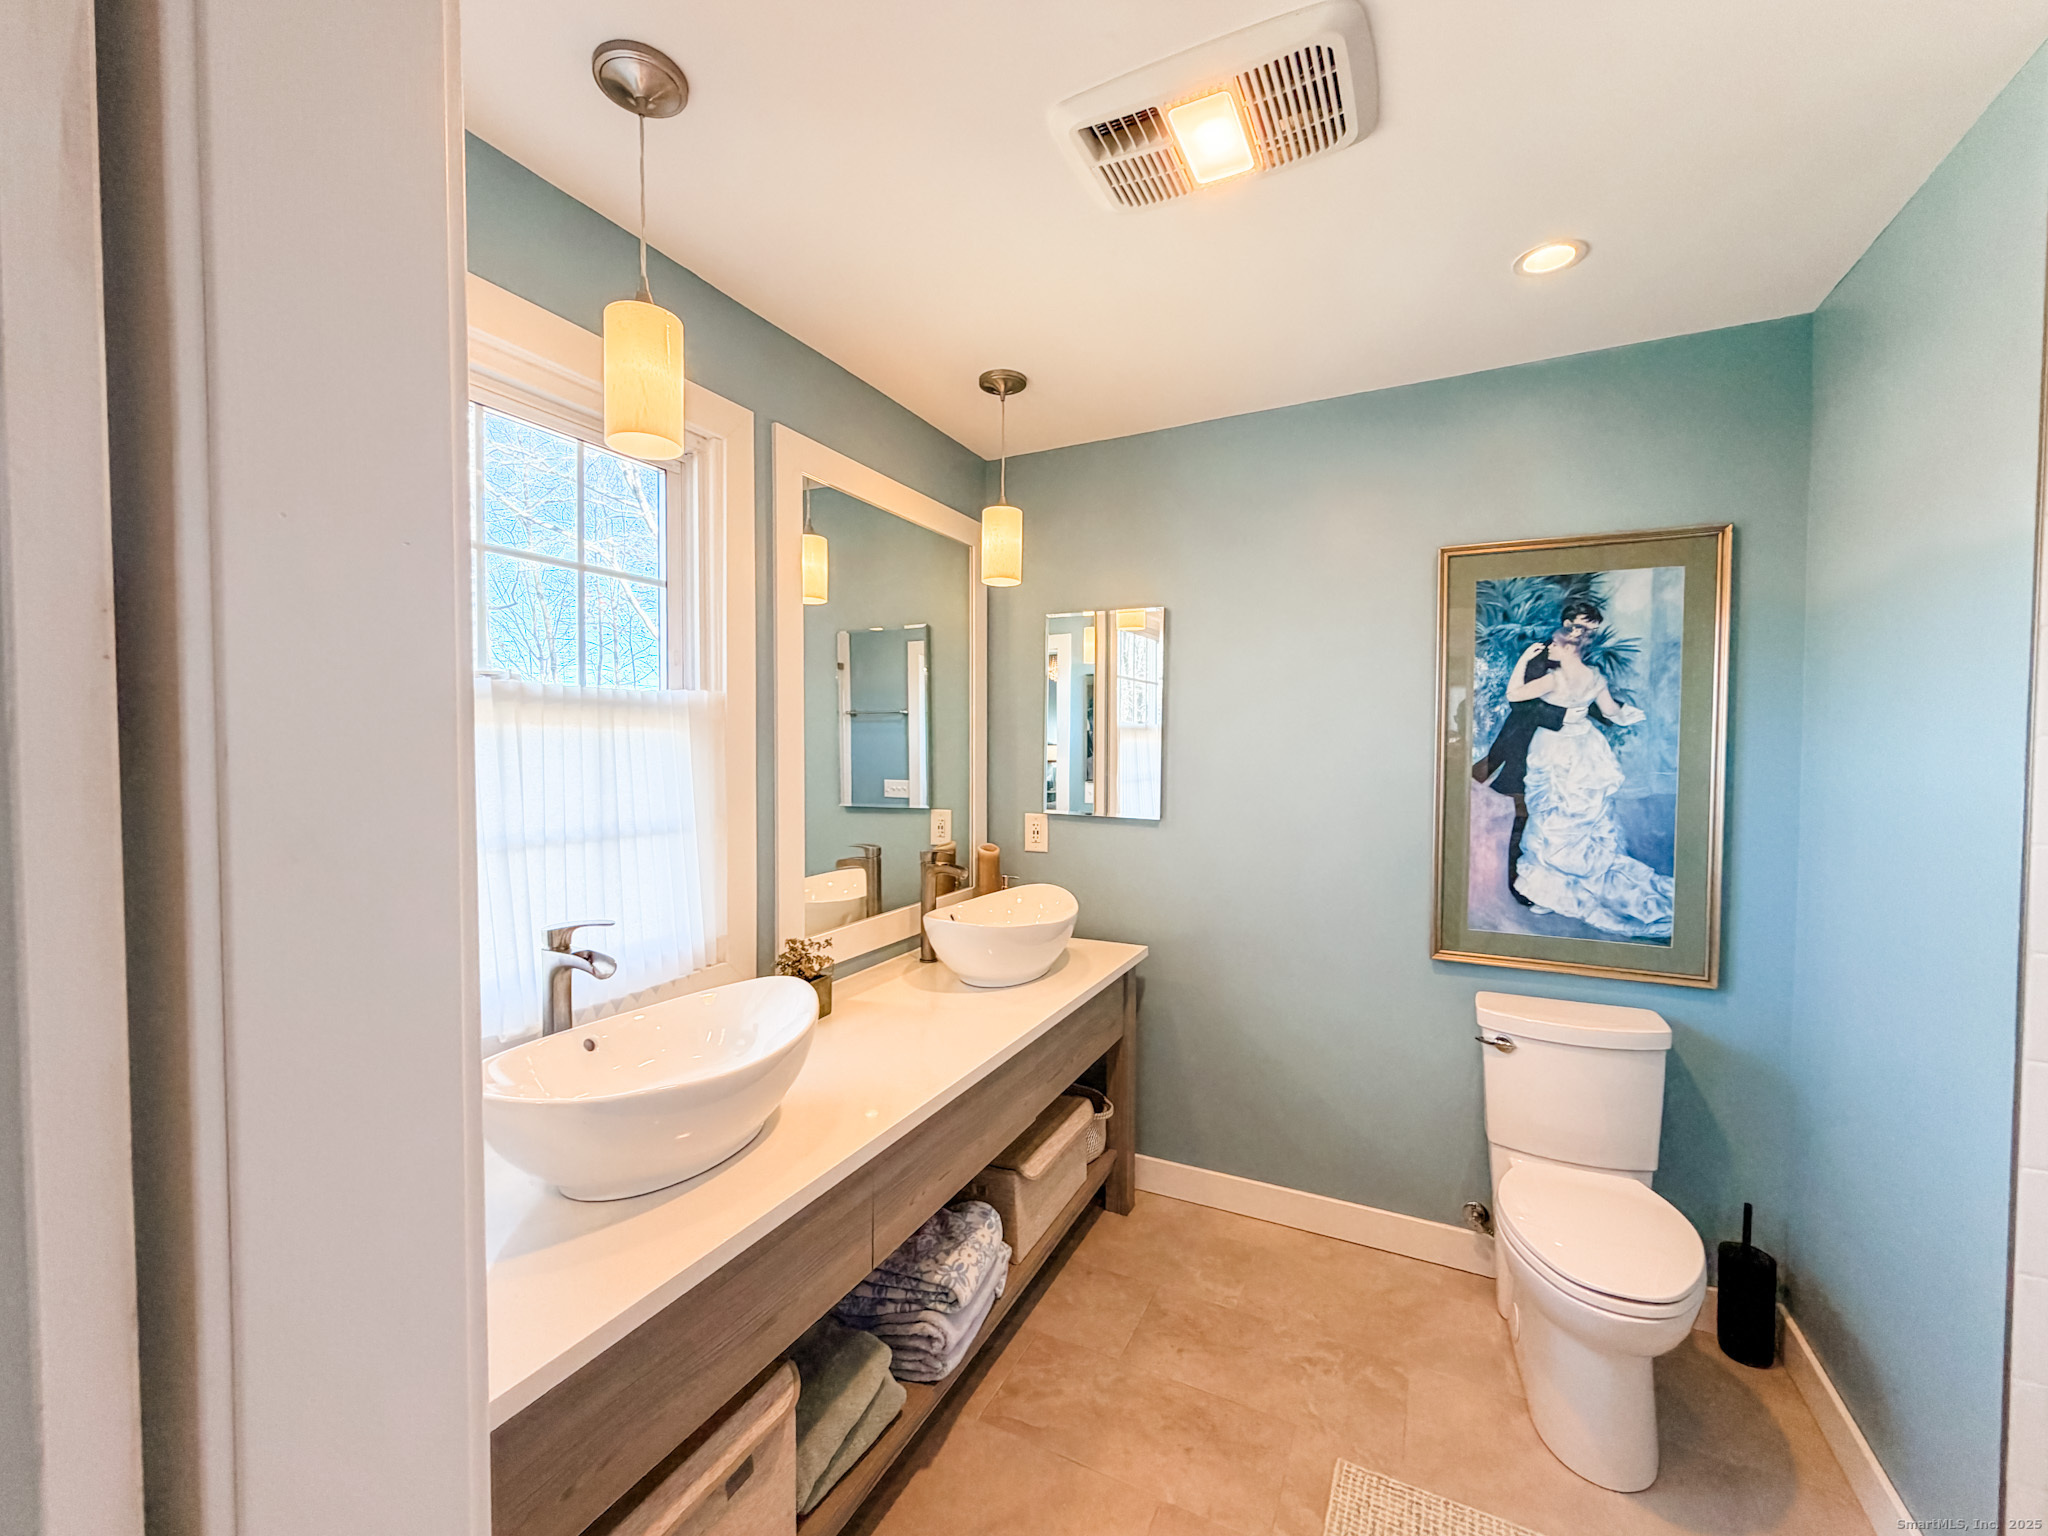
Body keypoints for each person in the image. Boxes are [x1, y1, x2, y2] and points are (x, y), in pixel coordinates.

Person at [1503, 604, 1673, 939]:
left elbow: (1515, 694)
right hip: (1581, 747)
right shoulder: (1591, 675)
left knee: (1553, 818)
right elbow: (1609, 712)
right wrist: (1625, 715)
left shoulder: (1555, 675)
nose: (1551, 648)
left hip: (1556, 749)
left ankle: (1553, 890)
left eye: (1555, 644)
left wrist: (1523, 659)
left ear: (1569, 646)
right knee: (1573, 817)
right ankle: (1554, 888)